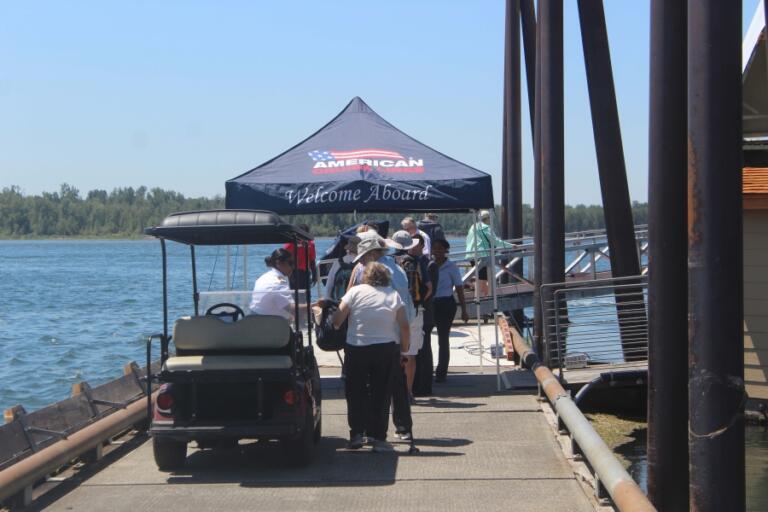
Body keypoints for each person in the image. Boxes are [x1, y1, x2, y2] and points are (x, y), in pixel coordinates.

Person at [332, 262, 410, 453]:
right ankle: (378, 437)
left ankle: (357, 433)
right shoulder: (393, 295)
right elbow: (404, 326)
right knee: (381, 393)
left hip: (357, 347)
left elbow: (337, 320)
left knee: (355, 391)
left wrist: (336, 327)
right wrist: (404, 351)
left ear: (364, 276)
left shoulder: (355, 292)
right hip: (385, 348)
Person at [390, 230, 432, 400]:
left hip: (392, 311)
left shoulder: (389, 263)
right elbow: (428, 287)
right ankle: (407, 392)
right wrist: (420, 301)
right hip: (413, 311)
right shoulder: (416, 262)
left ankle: (393, 392)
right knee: (410, 354)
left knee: (393, 353)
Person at [430, 239, 469, 382]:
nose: (437, 251)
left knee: (443, 339)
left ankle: (441, 372)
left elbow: (459, 288)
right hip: (431, 304)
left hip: (446, 304)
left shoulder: (452, 266)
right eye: (435, 249)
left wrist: (464, 310)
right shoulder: (429, 265)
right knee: (425, 338)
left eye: (440, 249)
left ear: (446, 250)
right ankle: (427, 369)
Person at [465, 210, 515, 296]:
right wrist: (511, 245)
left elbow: (468, 240)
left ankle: (485, 296)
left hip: (471, 255)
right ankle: (479, 299)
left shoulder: (473, 227)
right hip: (482, 256)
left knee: (482, 278)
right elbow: (496, 242)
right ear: (488, 218)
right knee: (481, 280)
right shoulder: (486, 228)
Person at [249, 248, 295, 320]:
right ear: (279, 263)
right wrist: (313, 306)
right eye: (290, 263)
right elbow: (291, 308)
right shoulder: (279, 282)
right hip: (269, 325)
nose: (293, 267)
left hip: (254, 320)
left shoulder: (263, 277)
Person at [324, 235, 359, 301]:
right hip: (354, 303)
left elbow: (330, 282)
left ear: (347, 249)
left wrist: (327, 299)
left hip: (337, 302)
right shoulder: (361, 263)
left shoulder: (338, 262)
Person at [284, 224, 317, 290]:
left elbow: (312, 260)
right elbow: (286, 259)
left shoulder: (310, 243)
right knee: (299, 294)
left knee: (303, 294)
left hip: (304, 272)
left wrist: (314, 274)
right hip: (294, 272)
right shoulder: (291, 243)